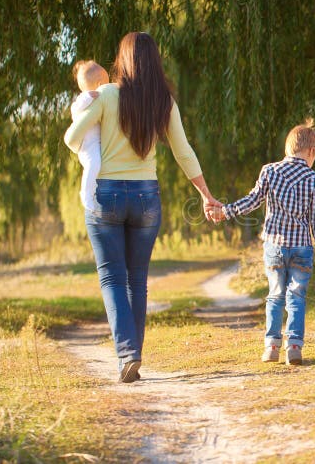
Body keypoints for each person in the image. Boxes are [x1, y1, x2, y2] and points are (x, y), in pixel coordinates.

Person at [64, 32, 220, 382]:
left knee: (112, 277)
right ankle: (133, 354)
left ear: (123, 61)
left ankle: (127, 354)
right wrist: (206, 194)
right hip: (146, 198)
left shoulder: (105, 95)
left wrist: (92, 156)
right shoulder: (163, 102)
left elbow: (71, 138)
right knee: (138, 280)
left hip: (106, 195)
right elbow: (184, 153)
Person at [208, 120, 315, 366]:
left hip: (275, 245)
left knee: (275, 295)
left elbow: (252, 201)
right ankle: (295, 346)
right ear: (310, 152)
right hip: (301, 247)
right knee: (296, 296)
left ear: (288, 148)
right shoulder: (314, 180)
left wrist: (225, 211)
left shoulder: (270, 171)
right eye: (314, 156)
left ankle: (272, 346)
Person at [70, 60, 109, 211]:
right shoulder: (84, 98)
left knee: (99, 165)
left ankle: (95, 192)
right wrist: (88, 97)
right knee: (94, 164)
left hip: (96, 143)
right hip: (88, 146)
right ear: (99, 84)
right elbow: (75, 110)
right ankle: (86, 194)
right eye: (107, 83)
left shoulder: (99, 98)